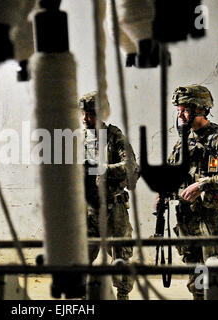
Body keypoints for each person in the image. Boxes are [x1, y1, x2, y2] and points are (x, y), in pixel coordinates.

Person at [165, 84, 218, 300]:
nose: (180, 115)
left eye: (184, 110)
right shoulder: (184, 141)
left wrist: (203, 184)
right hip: (188, 222)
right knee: (198, 283)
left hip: (213, 222)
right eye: (178, 110)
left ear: (200, 109)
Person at [79, 91, 139, 300]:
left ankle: (122, 297)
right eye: (84, 113)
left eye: (91, 114)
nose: (86, 118)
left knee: (120, 258)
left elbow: (131, 167)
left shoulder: (115, 136)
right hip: (87, 209)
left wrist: (103, 169)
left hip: (115, 207)